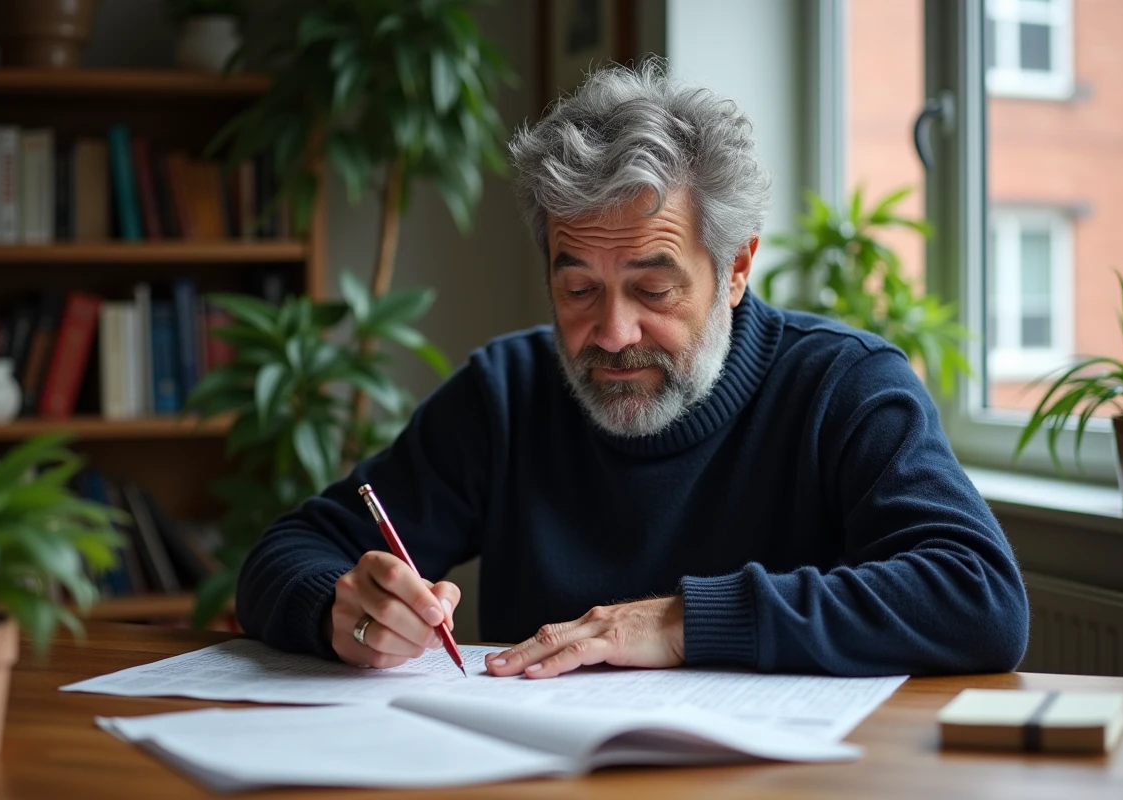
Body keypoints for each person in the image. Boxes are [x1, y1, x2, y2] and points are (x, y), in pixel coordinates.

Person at [236, 61, 1029, 679]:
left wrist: (681, 622)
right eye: (578, 288)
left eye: (653, 288)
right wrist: (340, 606)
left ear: (737, 266)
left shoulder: (843, 387)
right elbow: (291, 551)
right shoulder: (506, 394)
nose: (612, 334)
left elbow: (980, 599)